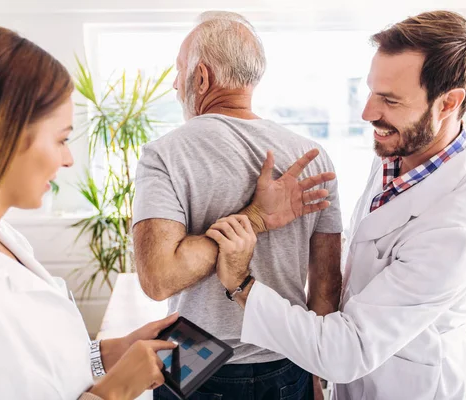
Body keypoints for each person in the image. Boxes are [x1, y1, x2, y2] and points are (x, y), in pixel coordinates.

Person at [205, 10, 466, 400]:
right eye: (371, 90)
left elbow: (346, 352)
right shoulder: (400, 153)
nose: (367, 113)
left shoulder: (457, 227)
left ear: (449, 103)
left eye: (389, 100)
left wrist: (242, 283)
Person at [0, 26, 178, 400]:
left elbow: (34, 366)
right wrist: (113, 392)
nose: (68, 159)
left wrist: (110, 353)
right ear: (2, 136)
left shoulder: (0, 239)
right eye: (61, 139)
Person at [132, 11, 340, 400]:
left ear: (201, 77)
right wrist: (318, 367)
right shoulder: (312, 158)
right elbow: (326, 283)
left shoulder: (165, 154)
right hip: (288, 352)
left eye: (179, 72)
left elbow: (157, 281)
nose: (176, 84)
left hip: (192, 352)